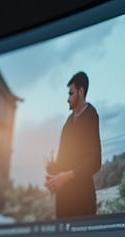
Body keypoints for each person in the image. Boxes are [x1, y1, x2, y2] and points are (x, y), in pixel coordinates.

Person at [44, 71, 102, 218]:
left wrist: (66, 177)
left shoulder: (90, 115)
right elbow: (64, 163)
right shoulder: (67, 123)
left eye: (71, 93)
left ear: (81, 91)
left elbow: (95, 161)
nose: (67, 99)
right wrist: (54, 174)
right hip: (63, 206)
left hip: (82, 205)